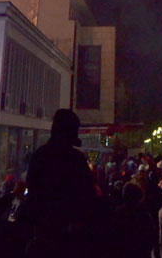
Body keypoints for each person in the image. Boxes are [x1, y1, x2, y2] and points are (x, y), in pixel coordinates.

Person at [26, 108, 99, 258]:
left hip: (44, 234)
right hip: (70, 236)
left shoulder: (40, 156)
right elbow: (89, 195)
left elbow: (32, 192)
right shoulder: (76, 159)